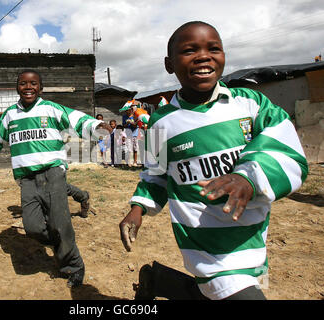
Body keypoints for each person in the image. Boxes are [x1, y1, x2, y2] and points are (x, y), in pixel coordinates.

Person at [119, 21, 308, 300]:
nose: (203, 56)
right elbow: (156, 175)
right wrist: (138, 209)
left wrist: (248, 177)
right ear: (169, 64)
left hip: (251, 234)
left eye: (214, 48)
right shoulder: (161, 123)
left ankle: (160, 281)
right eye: (189, 50)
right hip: (203, 240)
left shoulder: (250, 103)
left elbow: (286, 146)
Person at [0, 69, 112, 288]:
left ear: (41, 87)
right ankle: (60, 243)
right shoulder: (10, 114)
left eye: (33, 84)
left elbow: (77, 120)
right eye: (23, 83)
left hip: (53, 173)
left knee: (60, 223)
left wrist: (96, 126)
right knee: (32, 227)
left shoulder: (51, 109)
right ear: (17, 87)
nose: (28, 87)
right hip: (27, 179)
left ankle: (74, 266)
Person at [120, 100, 149, 166]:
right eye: (126, 111)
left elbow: (136, 125)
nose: (127, 112)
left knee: (135, 148)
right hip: (128, 134)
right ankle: (129, 162)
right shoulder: (124, 117)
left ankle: (135, 162)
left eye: (128, 110)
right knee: (128, 149)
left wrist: (133, 122)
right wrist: (127, 123)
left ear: (131, 110)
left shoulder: (136, 115)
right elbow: (123, 126)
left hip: (135, 134)